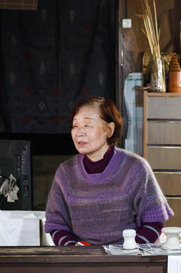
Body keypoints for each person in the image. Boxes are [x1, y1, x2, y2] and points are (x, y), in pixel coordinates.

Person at [45, 96, 172, 246]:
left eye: (87, 125)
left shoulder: (136, 167)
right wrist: (75, 250)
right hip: (82, 256)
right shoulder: (65, 172)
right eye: (75, 126)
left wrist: (129, 251)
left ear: (109, 130)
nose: (79, 132)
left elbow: (154, 222)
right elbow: (56, 225)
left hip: (131, 255)